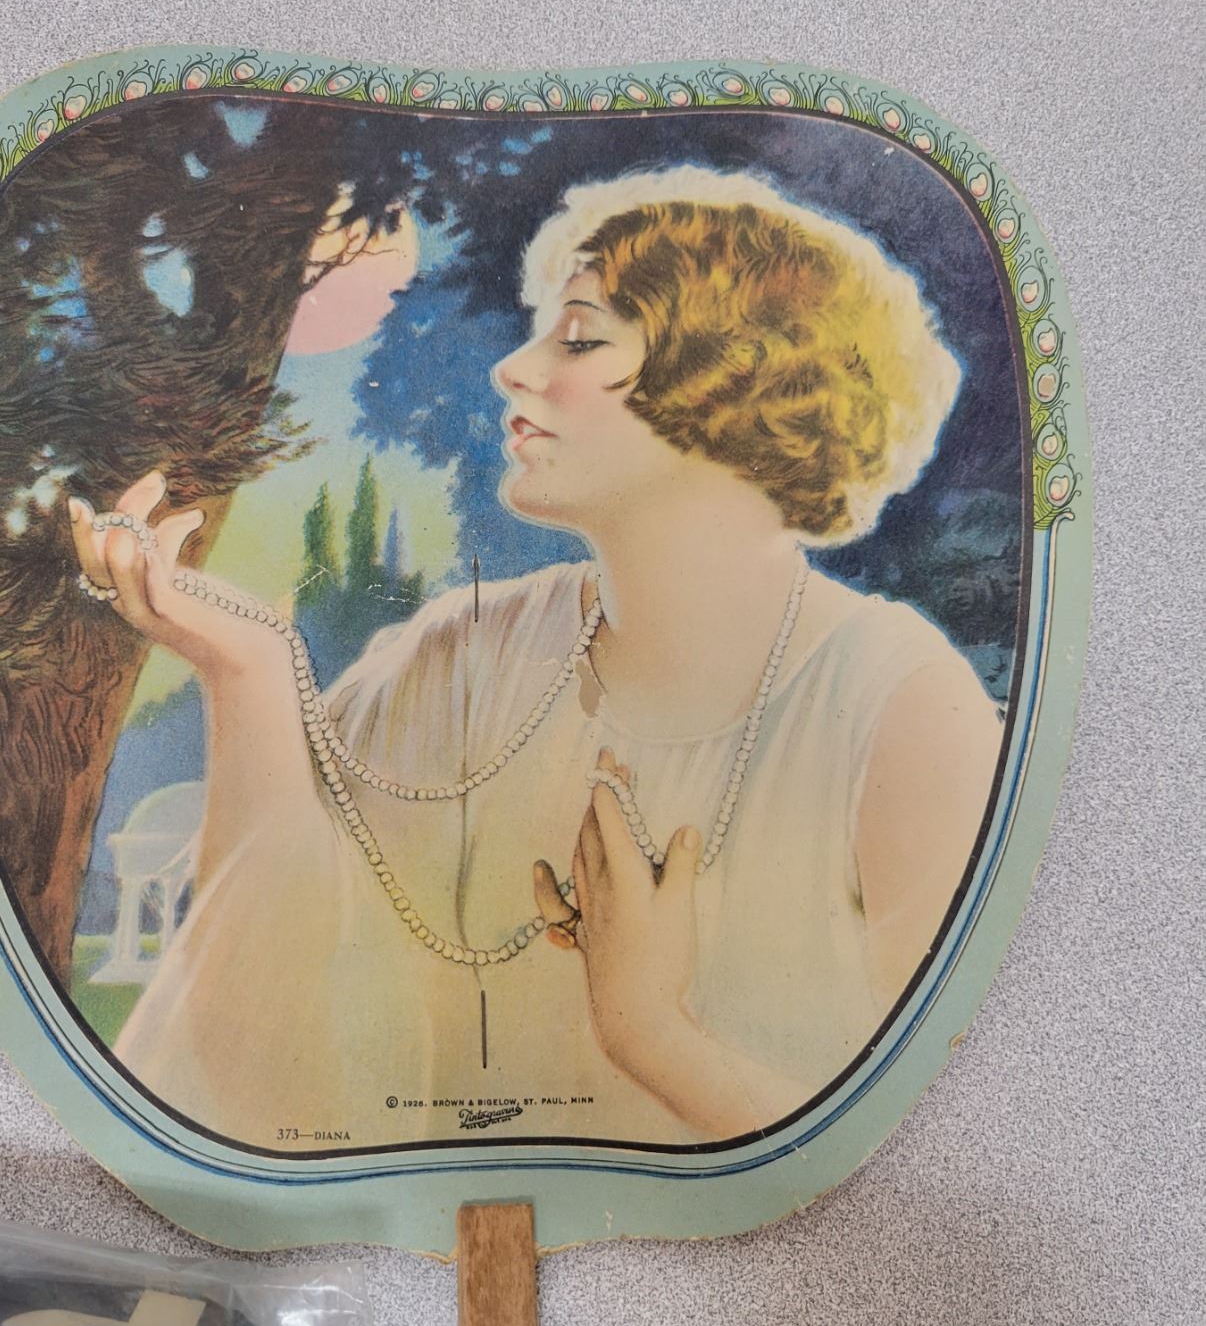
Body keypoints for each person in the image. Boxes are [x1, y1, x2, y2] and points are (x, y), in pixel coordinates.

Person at [71, 165, 1002, 1149]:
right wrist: (247, 670)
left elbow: (928, 1158)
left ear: (734, 382)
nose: (513, 369)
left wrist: (650, 1033)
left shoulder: (905, 712)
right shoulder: (465, 653)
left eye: (580, 338)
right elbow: (265, 1048)